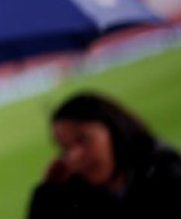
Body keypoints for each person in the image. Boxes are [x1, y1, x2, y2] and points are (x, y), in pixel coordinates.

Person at [28, 92, 181, 218]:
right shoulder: (77, 193)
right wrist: (48, 193)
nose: (74, 156)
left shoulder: (164, 174)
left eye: (83, 139)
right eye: (65, 149)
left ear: (114, 129)